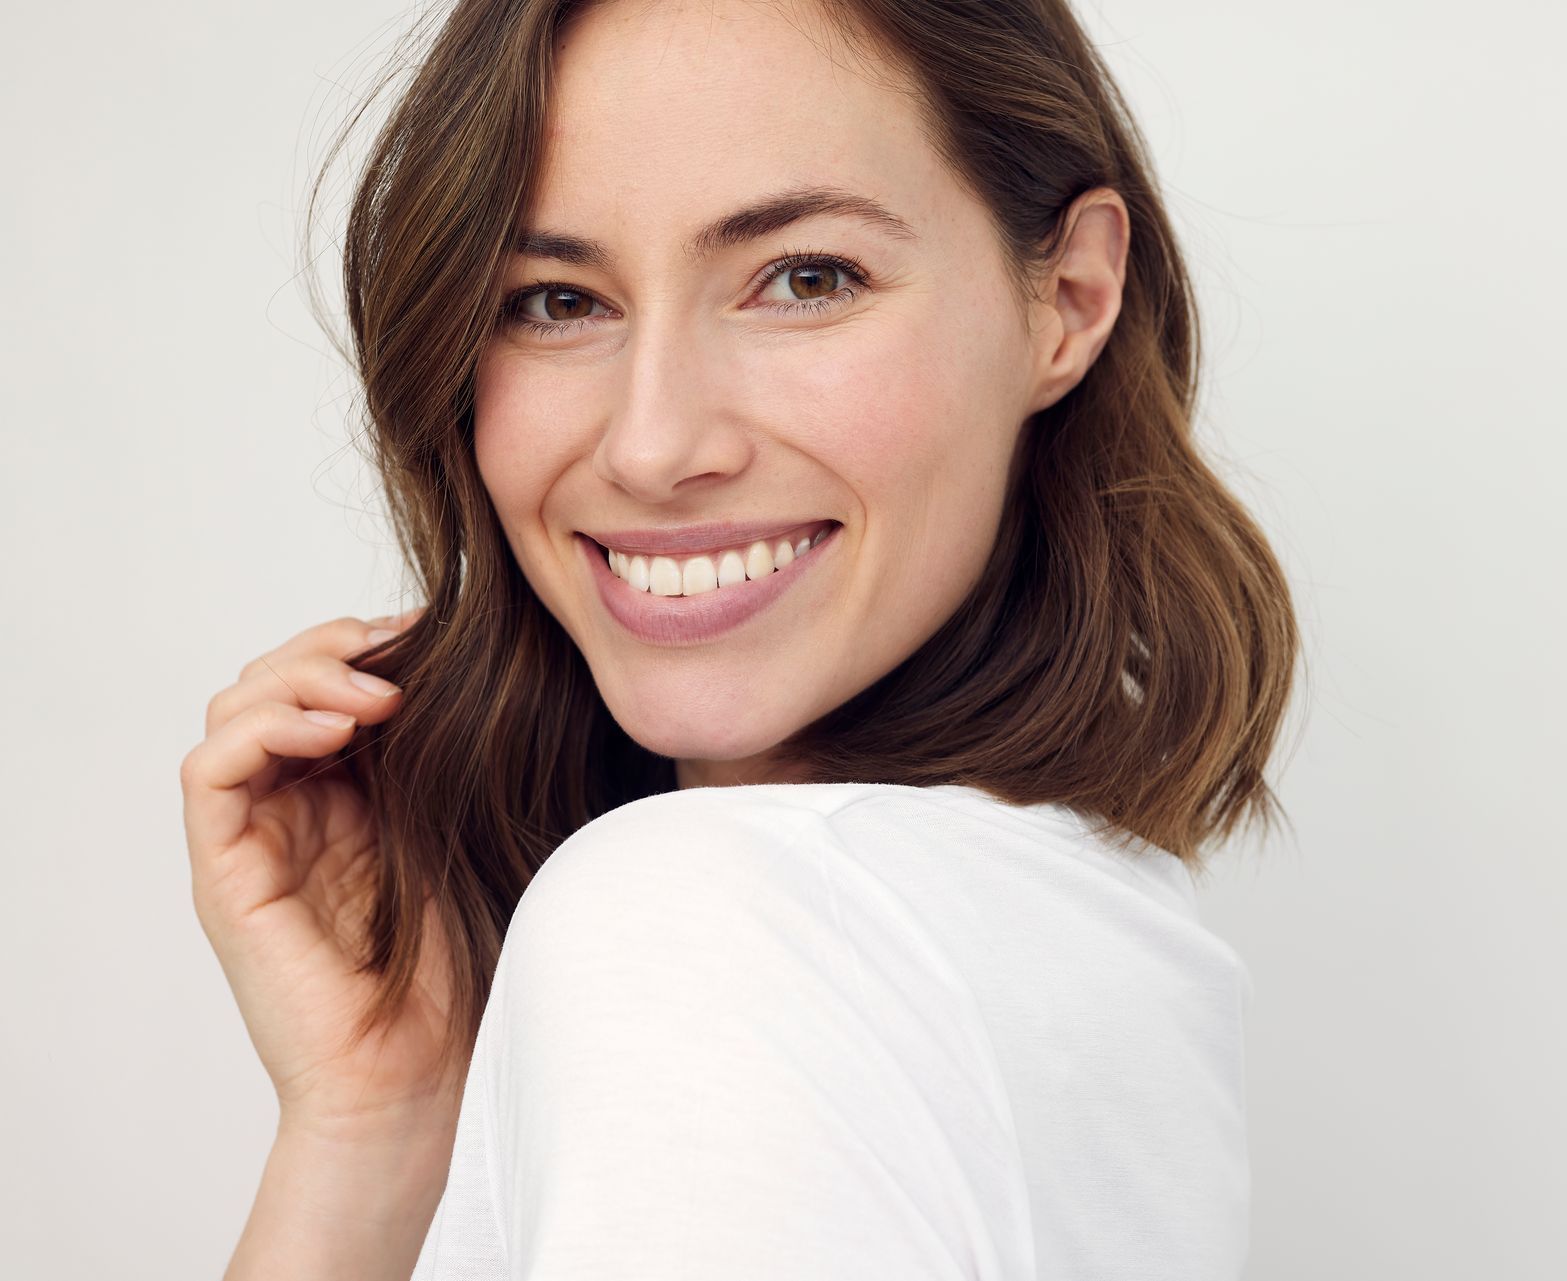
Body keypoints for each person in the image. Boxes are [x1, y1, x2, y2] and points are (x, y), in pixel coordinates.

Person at [179, 0, 1300, 1277]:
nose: (652, 446)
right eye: (555, 300)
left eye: (806, 279)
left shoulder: (704, 921)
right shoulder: (1082, 926)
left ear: (1070, 297)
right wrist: (376, 1128)